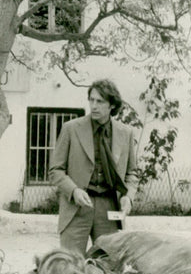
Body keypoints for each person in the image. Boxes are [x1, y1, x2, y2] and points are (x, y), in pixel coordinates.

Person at [49, 79, 139, 255]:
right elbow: (55, 170)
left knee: (107, 267)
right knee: (70, 267)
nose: (94, 106)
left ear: (112, 105)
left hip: (109, 208)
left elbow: (132, 173)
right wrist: (74, 190)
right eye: (91, 100)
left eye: (100, 101)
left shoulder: (125, 133)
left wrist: (128, 196)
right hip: (77, 207)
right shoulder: (71, 129)